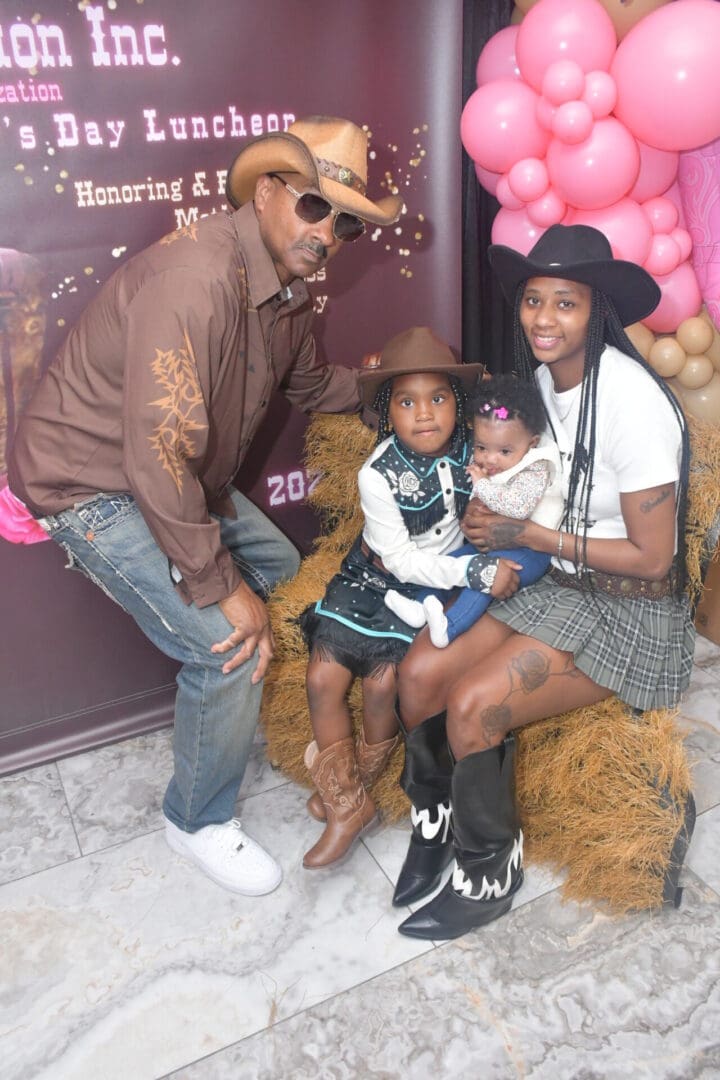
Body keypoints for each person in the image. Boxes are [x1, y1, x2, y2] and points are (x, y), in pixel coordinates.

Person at [7, 116, 404, 897]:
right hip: (93, 485)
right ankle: (196, 819)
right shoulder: (196, 278)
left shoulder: (288, 292)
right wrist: (219, 585)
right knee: (226, 643)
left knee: (283, 573)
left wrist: (406, 390)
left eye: (347, 224)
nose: (329, 235)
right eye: (315, 208)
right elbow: (156, 451)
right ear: (268, 192)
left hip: (177, 476)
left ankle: (263, 723)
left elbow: (310, 385)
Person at [392, 224, 693, 940]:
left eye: (566, 302)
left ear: (597, 312)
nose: (544, 319)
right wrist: (487, 513)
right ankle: (438, 822)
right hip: (558, 583)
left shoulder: (632, 404)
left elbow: (654, 559)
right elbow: (524, 484)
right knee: (419, 672)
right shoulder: (538, 389)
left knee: (473, 704)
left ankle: (488, 871)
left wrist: (525, 536)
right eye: (533, 300)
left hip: (632, 611)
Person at [298, 326, 493, 868]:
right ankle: (345, 805)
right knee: (322, 677)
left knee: (383, 683)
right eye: (407, 402)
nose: (425, 414)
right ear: (387, 411)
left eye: (438, 399)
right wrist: (471, 570)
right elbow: (401, 560)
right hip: (376, 575)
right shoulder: (377, 474)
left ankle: (354, 787)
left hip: (429, 588)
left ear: (459, 404)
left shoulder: (477, 451)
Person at [384, 373, 562, 647]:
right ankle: (420, 606)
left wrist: (482, 485)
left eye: (504, 452)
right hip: (496, 543)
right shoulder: (499, 458)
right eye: (481, 447)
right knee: (454, 560)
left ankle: (449, 627)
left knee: (485, 578)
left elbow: (517, 507)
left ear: (532, 443)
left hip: (531, 552)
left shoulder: (536, 467)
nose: (489, 459)